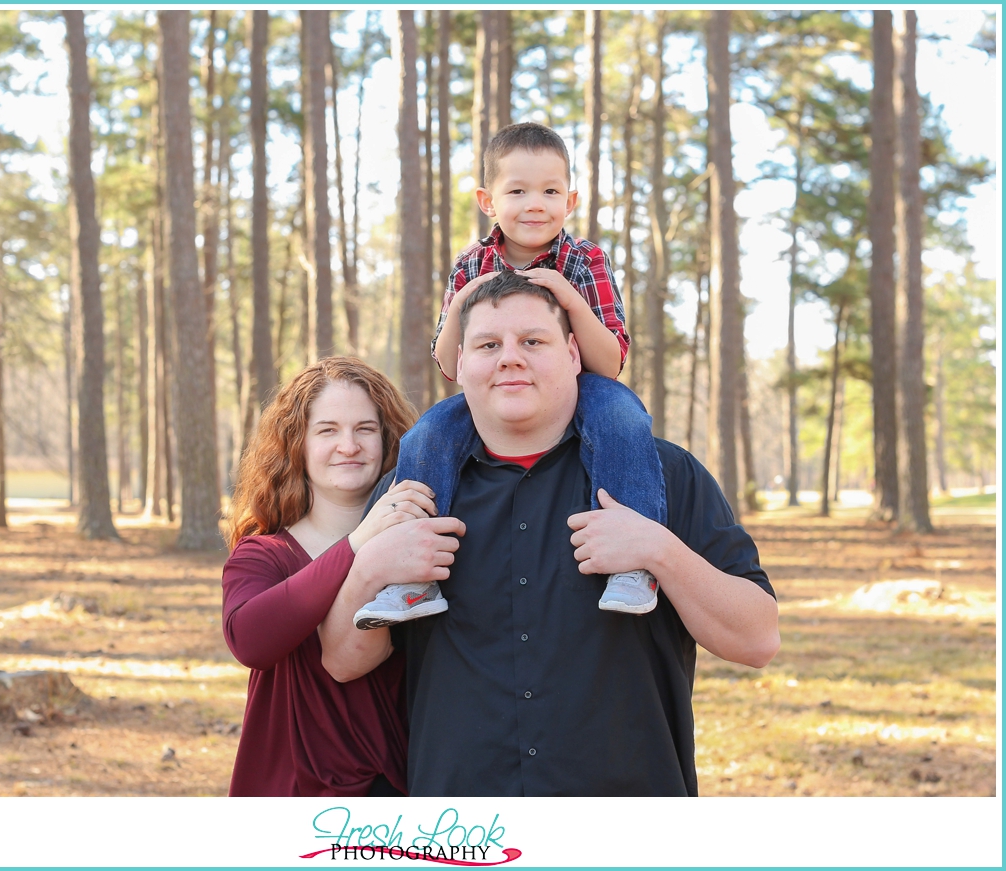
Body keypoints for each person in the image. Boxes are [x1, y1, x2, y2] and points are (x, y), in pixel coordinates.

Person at [321, 272, 780, 796]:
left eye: (532, 342)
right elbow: (342, 660)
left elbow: (758, 639)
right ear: (461, 364)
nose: (509, 358)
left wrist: (659, 550)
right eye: (488, 345)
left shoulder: (662, 477)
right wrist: (370, 568)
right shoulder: (409, 497)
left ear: (572, 353)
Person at [353, 122, 664, 630]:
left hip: (579, 386)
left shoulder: (585, 260)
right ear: (488, 200)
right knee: (427, 434)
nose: (534, 203)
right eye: (516, 190)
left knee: (625, 421)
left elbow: (608, 362)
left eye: (549, 190)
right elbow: (452, 364)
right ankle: (412, 577)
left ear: (571, 199)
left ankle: (633, 565)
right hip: (494, 390)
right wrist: (464, 298)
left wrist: (566, 295)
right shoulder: (471, 262)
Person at [221, 357, 460, 797]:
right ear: (298, 444)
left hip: (401, 786)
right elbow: (250, 641)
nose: (348, 445)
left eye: (365, 429)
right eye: (327, 430)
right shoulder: (264, 554)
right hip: (292, 790)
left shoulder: (423, 543)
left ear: (389, 438)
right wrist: (359, 542)